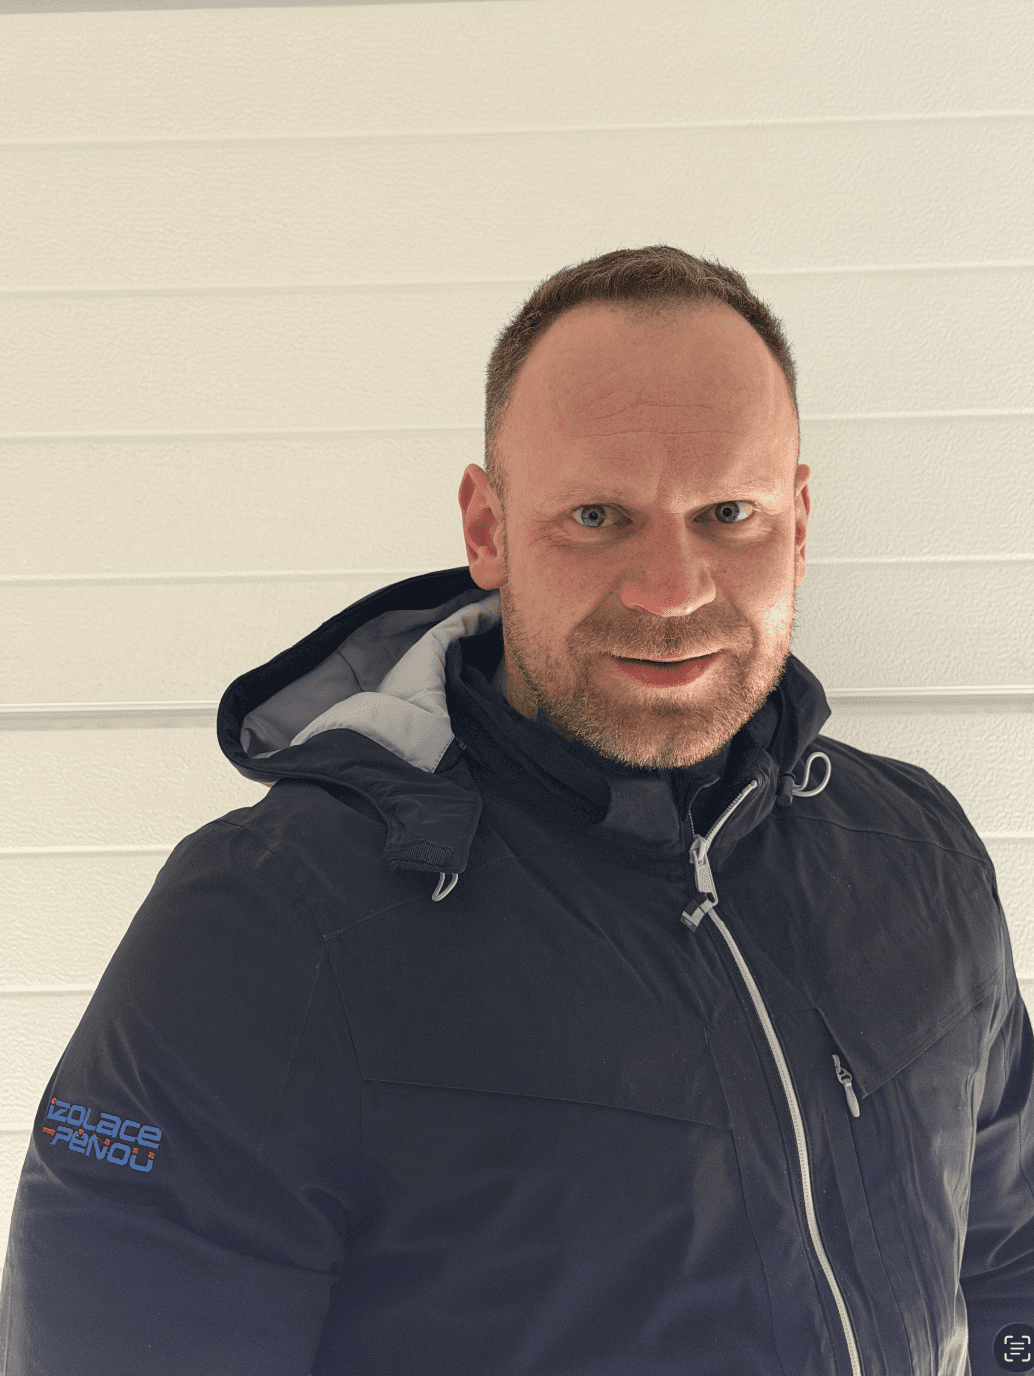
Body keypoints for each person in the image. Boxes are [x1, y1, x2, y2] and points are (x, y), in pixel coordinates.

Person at [1, 246, 1031, 1376]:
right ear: (485, 528)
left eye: (729, 511)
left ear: (797, 518)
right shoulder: (263, 928)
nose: (672, 588)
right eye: (596, 514)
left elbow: (1007, 1260)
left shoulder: (917, 853)